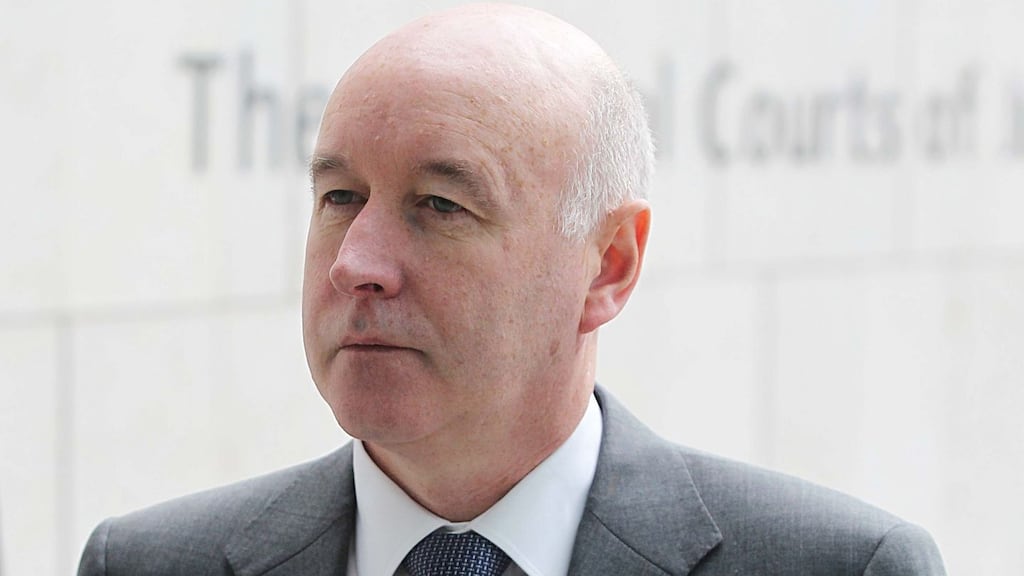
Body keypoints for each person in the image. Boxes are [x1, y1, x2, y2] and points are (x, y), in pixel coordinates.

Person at [78, 3, 947, 575]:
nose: (357, 262)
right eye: (341, 196)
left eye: (440, 205)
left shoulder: (843, 566)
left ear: (608, 266)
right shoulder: (146, 563)